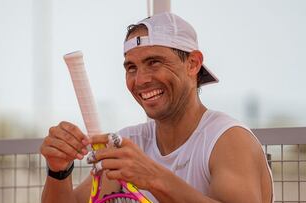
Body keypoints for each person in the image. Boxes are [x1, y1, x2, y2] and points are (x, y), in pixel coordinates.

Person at [40, 12, 273, 203]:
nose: (140, 80)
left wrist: (155, 178)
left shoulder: (228, 139)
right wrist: (58, 171)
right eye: (131, 68)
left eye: (154, 62)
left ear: (193, 64)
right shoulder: (130, 141)